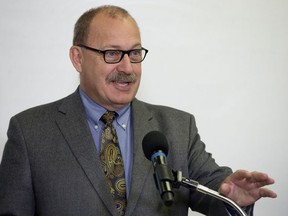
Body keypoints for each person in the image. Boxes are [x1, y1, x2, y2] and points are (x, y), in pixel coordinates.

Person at [0, 5, 277, 216]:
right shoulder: (29, 132)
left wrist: (232, 195)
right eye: (112, 54)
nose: (128, 68)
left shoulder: (178, 127)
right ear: (78, 58)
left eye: (134, 53)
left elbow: (213, 185)